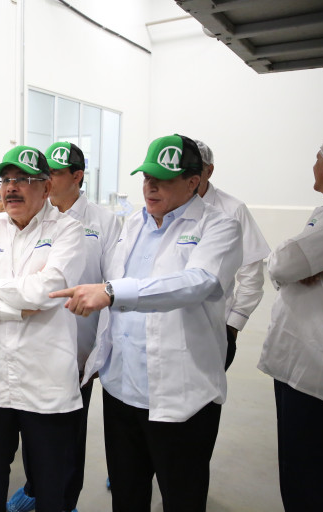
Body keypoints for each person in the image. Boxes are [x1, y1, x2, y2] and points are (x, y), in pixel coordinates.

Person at [51, 134, 243, 512]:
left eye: (164, 180)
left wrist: (112, 292)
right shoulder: (132, 225)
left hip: (180, 395)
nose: (151, 187)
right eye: (147, 178)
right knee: (127, 494)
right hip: (122, 390)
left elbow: (197, 283)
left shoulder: (219, 226)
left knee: (182, 497)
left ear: (193, 181)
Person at [0, 146, 85, 512]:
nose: (11, 188)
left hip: (46, 379)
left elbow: (48, 290)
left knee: (49, 479)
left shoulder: (68, 230)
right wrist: (17, 309)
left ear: (46, 187)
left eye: (23, 180)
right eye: (6, 180)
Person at [6, 142, 120, 512]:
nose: (47, 180)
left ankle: (66, 498)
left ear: (77, 176)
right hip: (32, 339)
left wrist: (100, 351)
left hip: (78, 345)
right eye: (44, 174)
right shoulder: (36, 213)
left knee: (70, 429)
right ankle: (35, 486)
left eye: (54, 173)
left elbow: (112, 286)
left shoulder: (103, 222)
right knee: (32, 424)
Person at [258, 129, 323, 512]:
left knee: (307, 476)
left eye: (319, 156)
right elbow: (296, 263)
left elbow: (285, 263)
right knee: (299, 470)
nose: (314, 163)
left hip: (320, 371)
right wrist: (297, 264)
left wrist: (288, 262)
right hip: (305, 364)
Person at [195, 140, 270, 369]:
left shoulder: (232, 209)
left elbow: (252, 274)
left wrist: (234, 324)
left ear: (209, 171)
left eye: (195, 169)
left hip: (215, 327)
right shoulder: (166, 206)